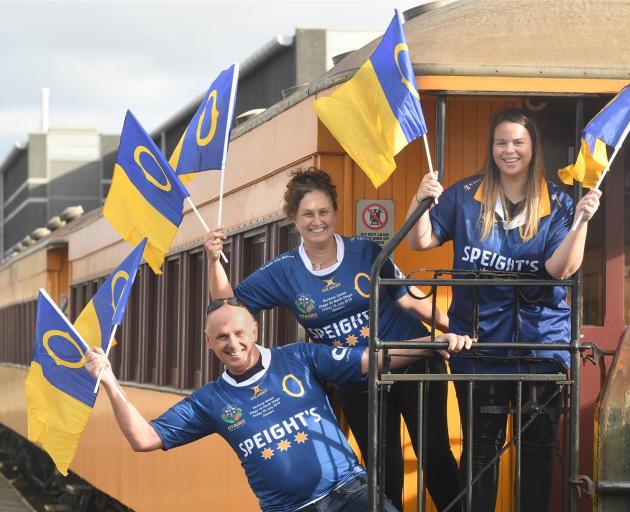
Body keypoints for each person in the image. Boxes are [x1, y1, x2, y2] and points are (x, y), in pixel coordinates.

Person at [205, 168, 462, 511]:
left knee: (434, 454)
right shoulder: (283, 271)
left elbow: (409, 299)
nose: (317, 221)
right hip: (356, 379)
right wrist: (212, 259)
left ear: (335, 213)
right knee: (383, 469)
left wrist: (454, 330)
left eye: (324, 212)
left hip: (413, 361)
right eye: (307, 214)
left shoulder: (366, 251)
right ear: (293, 219)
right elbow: (228, 307)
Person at [84, 298, 472, 512]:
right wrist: (110, 382)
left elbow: (371, 360)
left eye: (239, 332)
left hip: (350, 493)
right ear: (208, 342)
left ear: (255, 330)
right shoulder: (209, 401)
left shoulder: (298, 358)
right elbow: (145, 439)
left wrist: (435, 344)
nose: (232, 343)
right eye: (221, 337)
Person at [405, 108, 602, 512]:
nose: (508, 150)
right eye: (501, 142)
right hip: (477, 346)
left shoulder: (560, 202)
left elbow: (558, 269)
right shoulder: (463, 195)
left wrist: (582, 222)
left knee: (536, 451)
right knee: (479, 451)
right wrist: (419, 198)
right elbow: (419, 242)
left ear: (532, 148)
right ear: (490, 147)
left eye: (518, 142)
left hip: (540, 347)